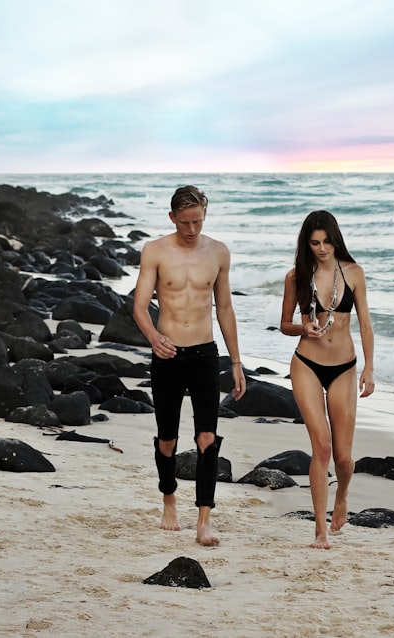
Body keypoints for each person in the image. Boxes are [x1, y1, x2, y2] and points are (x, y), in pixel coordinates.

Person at [132, 185, 246, 546]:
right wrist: (153, 336)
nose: (192, 229)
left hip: (204, 355)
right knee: (167, 438)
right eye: (184, 222)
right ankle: (169, 501)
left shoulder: (218, 252)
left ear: (205, 215)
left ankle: (204, 521)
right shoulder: (155, 251)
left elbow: (224, 307)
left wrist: (237, 361)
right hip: (166, 354)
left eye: (197, 221)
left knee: (207, 437)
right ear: (172, 218)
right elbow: (139, 305)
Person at [279, 210, 375, 549]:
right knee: (321, 446)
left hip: (345, 367)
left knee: (344, 458)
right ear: (307, 244)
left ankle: (343, 497)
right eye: (315, 242)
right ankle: (320, 529)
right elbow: (284, 324)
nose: (322, 248)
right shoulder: (296, 276)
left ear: (336, 239)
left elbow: (364, 324)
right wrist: (303, 327)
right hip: (306, 362)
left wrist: (369, 368)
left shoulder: (354, 273)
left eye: (327, 241)